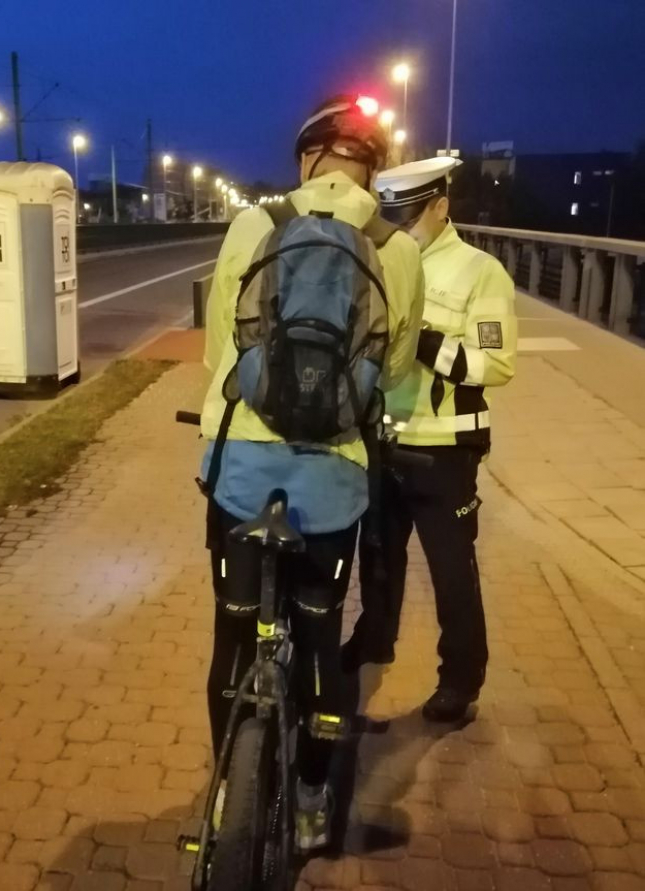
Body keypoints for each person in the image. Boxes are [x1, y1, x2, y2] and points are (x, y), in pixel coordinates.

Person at [200, 94, 424, 850]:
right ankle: (311, 799)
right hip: (334, 479)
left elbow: (218, 352)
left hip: (241, 466)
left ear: (306, 161)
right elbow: (396, 373)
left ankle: (229, 779)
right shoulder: (395, 246)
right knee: (321, 634)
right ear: (374, 169)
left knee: (233, 633)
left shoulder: (252, 226)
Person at [343, 157, 518, 723]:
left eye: (409, 216)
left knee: (450, 570)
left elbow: (495, 365)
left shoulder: (480, 271)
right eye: (390, 216)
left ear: (441, 206)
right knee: (379, 562)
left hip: (444, 450)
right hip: (382, 439)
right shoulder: (382, 261)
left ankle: (461, 680)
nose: (399, 228)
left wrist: (420, 337)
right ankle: (374, 643)